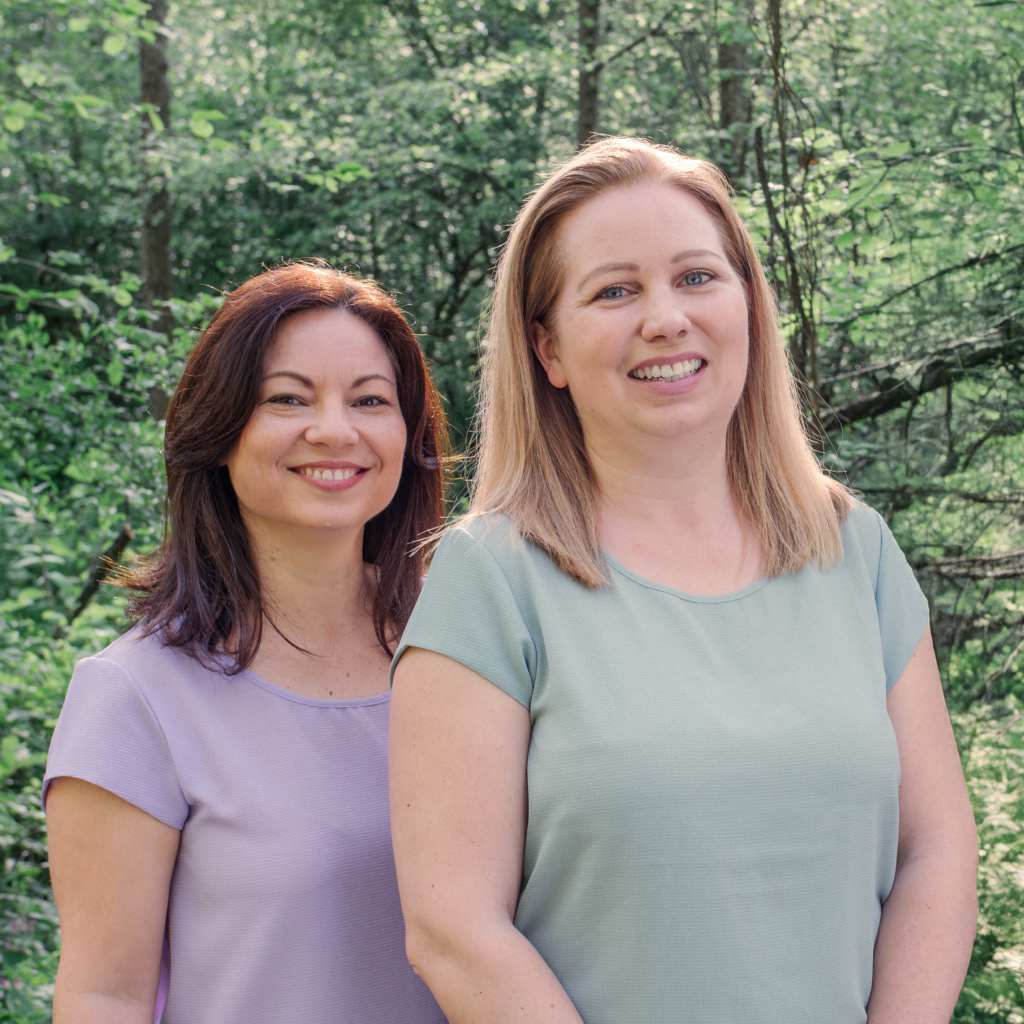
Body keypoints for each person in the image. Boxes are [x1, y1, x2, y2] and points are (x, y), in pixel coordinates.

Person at [389, 138, 979, 1024]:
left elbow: (937, 855)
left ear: (748, 304)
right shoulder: (492, 580)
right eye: (615, 290)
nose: (665, 318)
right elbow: (454, 929)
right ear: (547, 350)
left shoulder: (856, 553)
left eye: (698, 277)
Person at [44, 263, 450, 1024]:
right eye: (287, 399)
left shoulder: (472, 646)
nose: (336, 430)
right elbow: (105, 995)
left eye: (370, 399)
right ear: (219, 431)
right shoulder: (138, 697)